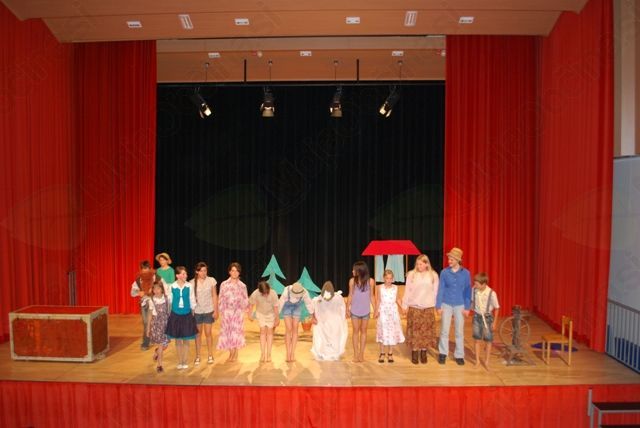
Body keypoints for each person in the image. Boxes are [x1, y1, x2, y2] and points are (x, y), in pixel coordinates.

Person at [436, 247, 472, 366]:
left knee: (459, 332)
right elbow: (441, 289)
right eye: (449, 259)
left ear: (458, 260)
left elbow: (467, 291)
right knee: (444, 330)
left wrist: (467, 307)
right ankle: (443, 353)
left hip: (460, 305)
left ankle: (459, 355)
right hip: (446, 304)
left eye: (451, 259)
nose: (449, 261)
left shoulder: (466, 273)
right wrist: (438, 305)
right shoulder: (444, 272)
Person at [401, 254, 439, 364]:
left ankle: (423, 352)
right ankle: (414, 352)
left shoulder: (433, 275)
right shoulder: (411, 274)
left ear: (426, 264)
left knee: (425, 332)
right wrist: (404, 305)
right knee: (415, 331)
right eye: (417, 264)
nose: (418, 266)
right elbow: (407, 290)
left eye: (421, 264)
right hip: (415, 307)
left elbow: (435, 292)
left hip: (428, 308)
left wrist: (436, 306)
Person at [165, 266, 197, 370]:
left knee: (186, 339)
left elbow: (192, 299)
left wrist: (192, 313)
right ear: (177, 275)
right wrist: (168, 314)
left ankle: (185, 361)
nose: (185, 275)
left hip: (187, 314)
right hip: (175, 314)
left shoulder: (189, 286)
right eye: (183, 274)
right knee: (178, 340)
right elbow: (169, 301)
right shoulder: (172, 286)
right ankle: (180, 361)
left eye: (186, 274)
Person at [217, 262, 249, 363]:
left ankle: (235, 352)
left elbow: (245, 299)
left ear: (239, 272)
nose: (234, 273)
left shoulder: (242, 286)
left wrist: (245, 310)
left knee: (236, 333)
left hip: (238, 314)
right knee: (228, 333)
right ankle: (231, 352)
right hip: (227, 313)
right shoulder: (224, 284)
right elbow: (221, 298)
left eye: (236, 271)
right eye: (232, 271)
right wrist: (221, 311)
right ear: (229, 272)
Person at [346, 261, 376, 363]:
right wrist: (347, 308)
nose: (352, 271)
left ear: (360, 271)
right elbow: (350, 295)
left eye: (354, 270)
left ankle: (361, 355)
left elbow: (372, 296)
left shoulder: (371, 281)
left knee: (363, 332)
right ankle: (356, 355)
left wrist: (376, 309)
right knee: (355, 331)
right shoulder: (352, 281)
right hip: (354, 310)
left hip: (365, 311)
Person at [130, 260, 162, 351]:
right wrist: (138, 292)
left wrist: (154, 290)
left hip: (155, 302)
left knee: (153, 322)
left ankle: (148, 340)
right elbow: (132, 292)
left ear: (150, 268)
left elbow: (164, 288)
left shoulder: (156, 277)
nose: (145, 270)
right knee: (146, 322)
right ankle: (147, 340)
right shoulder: (139, 279)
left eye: (147, 268)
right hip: (144, 303)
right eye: (143, 269)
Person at [311, 281, 348, 361]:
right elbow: (312, 308)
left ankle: (334, 353)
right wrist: (313, 317)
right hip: (323, 322)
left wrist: (343, 318)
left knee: (335, 337)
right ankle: (323, 352)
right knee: (323, 336)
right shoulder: (318, 299)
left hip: (334, 323)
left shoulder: (337, 298)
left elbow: (343, 308)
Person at [278, 282, 314, 362]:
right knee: (288, 328)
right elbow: (280, 303)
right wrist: (276, 316)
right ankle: (288, 353)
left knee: (295, 328)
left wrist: (312, 315)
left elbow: (308, 303)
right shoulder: (286, 291)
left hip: (297, 307)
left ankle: (292, 353)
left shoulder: (304, 292)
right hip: (286, 306)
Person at [374, 270, 405, 363]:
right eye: (387, 278)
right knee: (382, 331)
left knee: (392, 332)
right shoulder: (380, 287)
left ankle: (390, 353)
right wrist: (376, 311)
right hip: (383, 312)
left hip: (393, 312)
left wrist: (402, 308)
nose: (389, 280)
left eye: (390, 278)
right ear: (384, 278)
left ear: (393, 279)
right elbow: (378, 300)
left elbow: (397, 299)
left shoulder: (395, 288)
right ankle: (382, 353)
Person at [191, 262, 218, 365]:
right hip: (197, 312)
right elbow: (191, 299)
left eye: (205, 270)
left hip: (208, 310)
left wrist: (216, 310)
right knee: (198, 334)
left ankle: (210, 355)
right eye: (201, 271)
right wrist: (191, 312)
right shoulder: (192, 283)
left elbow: (214, 295)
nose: (203, 273)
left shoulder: (211, 280)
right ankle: (198, 356)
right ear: (197, 272)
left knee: (208, 333)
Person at [471, 272, 500, 369]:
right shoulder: (474, 290)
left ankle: (487, 361)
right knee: (477, 340)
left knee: (488, 340)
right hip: (476, 316)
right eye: (475, 283)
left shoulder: (491, 293)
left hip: (487, 318)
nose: (475, 285)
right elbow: (472, 302)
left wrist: (495, 322)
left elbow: (497, 308)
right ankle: (477, 361)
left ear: (483, 284)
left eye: (477, 284)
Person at [248, 281, 280, 362]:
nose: (265, 295)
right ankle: (262, 354)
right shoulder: (256, 293)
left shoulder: (273, 293)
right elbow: (251, 304)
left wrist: (277, 318)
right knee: (262, 331)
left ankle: (269, 354)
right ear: (260, 291)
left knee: (269, 332)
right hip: (261, 313)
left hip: (271, 314)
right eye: (263, 293)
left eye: (267, 292)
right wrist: (249, 314)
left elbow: (276, 307)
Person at [147, 280, 170, 373]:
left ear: (162, 289)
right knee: (161, 345)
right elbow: (150, 314)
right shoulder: (152, 300)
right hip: (157, 325)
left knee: (165, 346)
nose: (156, 290)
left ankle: (156, 352)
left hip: (165, 324)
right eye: (154, 289)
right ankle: (159, 365)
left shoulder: (166, 298)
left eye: (158, 288)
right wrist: (148, 328)